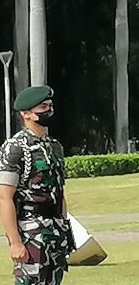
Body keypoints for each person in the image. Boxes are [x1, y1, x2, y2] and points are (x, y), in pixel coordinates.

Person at [0, 86, 73, 285]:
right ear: (26, 114)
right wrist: (15, 242)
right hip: (30, 230)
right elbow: (4, 198)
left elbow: (59, 192)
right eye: (42, 107)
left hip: (55, 231)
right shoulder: (15, 148)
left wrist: (65, 229)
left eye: (50, 105)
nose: (49, 110)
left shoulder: (54, 146)